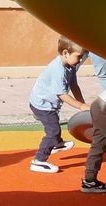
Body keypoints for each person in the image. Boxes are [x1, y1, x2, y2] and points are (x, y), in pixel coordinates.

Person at [26, 36, 87, 173]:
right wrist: (80, 106)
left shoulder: (70, 66)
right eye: (79, 56)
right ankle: (39, 161)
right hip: (42, 105)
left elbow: (74, 85)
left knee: (54, 125)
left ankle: (57, 144)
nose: (80, 60)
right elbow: (62, 94)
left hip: (48, 104)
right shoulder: (58, 70)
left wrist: (82, 104)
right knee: (53, 131)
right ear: (65, 53)